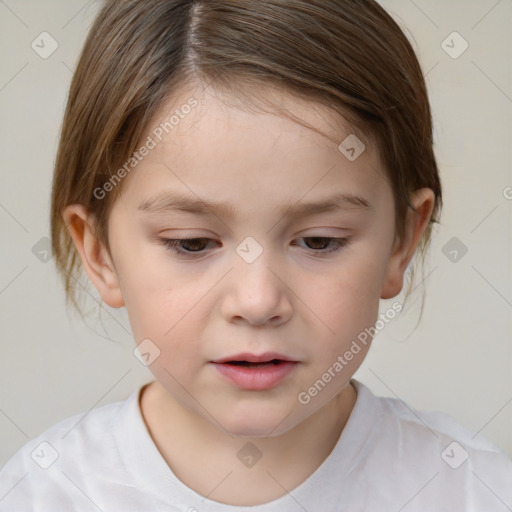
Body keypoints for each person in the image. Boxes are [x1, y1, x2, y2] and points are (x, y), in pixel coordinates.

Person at [1, 0, 511, 510]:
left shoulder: (473, 492)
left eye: (319, 241)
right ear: (100, 254)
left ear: (402, 240)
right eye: (192, 243)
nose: (258, 300)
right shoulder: (43, 494)